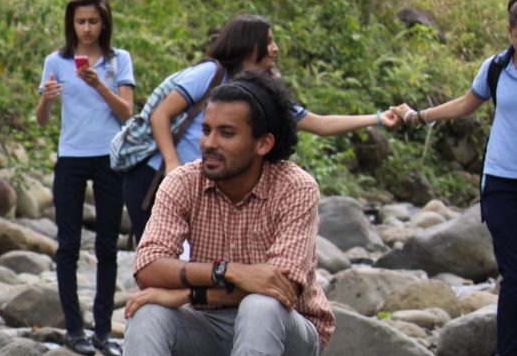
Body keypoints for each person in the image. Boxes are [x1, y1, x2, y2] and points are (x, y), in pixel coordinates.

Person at [104, 70, 335, 356]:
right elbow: (148, 265)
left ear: (263, 143)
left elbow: (281, 287)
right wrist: (224, 274)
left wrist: (186, 289)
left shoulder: (295, 187)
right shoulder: (183, 182)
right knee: (149, 311)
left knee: (261, 306)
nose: (209, 142)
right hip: (212, 336)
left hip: (290, 344)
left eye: (226, 133)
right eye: (207, 130)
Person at [126, 14, 403, 244]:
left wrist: (378, 118)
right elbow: (161, 115)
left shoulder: (263, 92)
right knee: (160, 257)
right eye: (269, 41)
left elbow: (319, 124)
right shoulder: (211, 73)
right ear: (249, 45)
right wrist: (173, 163)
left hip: (205, 185)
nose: (275, 48)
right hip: (156, 178)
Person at [394, 0, 517, 356]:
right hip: (501, 182)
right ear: (512, 31)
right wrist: (418, 117)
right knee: (514, 272)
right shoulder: (496, 68)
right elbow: (466, 104)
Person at [35, 0, 132, 356]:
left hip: (109, 157)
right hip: (71, 157)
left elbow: (127, 112)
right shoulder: (57, 61)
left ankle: (104, 331)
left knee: (107, 246)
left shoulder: (118, 59)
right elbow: (42, 120)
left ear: (104, 22)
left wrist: (98, 84)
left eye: (93, 21)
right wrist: (47, 98)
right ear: (71, 23)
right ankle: (75, 330)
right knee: (68, 246)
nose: (87, 28)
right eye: (80, 21)